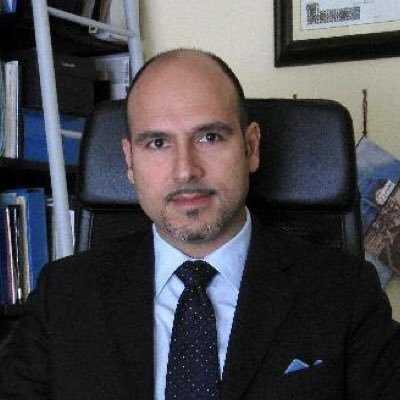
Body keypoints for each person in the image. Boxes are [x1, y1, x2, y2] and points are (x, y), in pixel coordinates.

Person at [1, 48, 400, 400]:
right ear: (129, 161)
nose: (185, 170)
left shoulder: (344, 292)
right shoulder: (64, 295)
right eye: (158, 143)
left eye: (209, 137)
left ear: (251, 147)